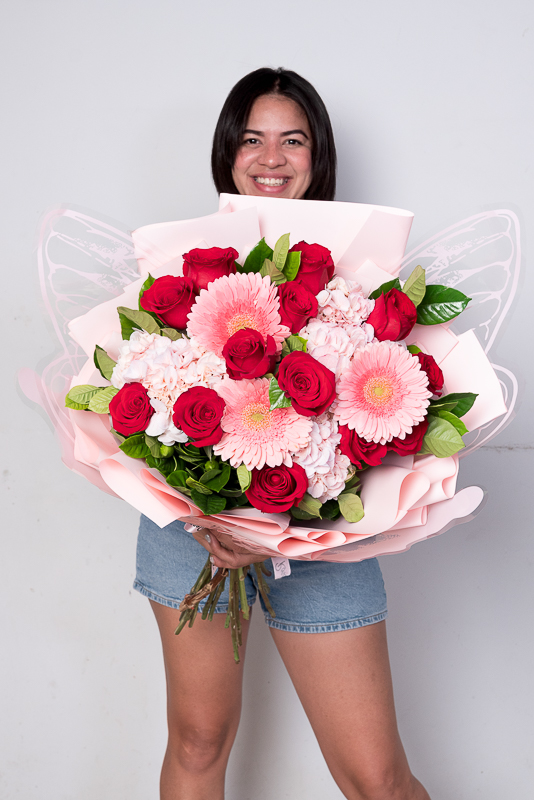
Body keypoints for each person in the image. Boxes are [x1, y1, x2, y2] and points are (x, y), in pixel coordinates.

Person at [135, 67, 431, 800]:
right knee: (198, 740)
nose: (271, 158)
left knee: (376, 778)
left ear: (317, 153)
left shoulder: (363, 278)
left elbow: (388, 423)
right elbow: (143, 407)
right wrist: (212, 512)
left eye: (292, 140)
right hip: (192, 531)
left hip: (324, 537)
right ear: (227, 152)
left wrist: (286, 515)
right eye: (251, 139)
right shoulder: (183, 270)